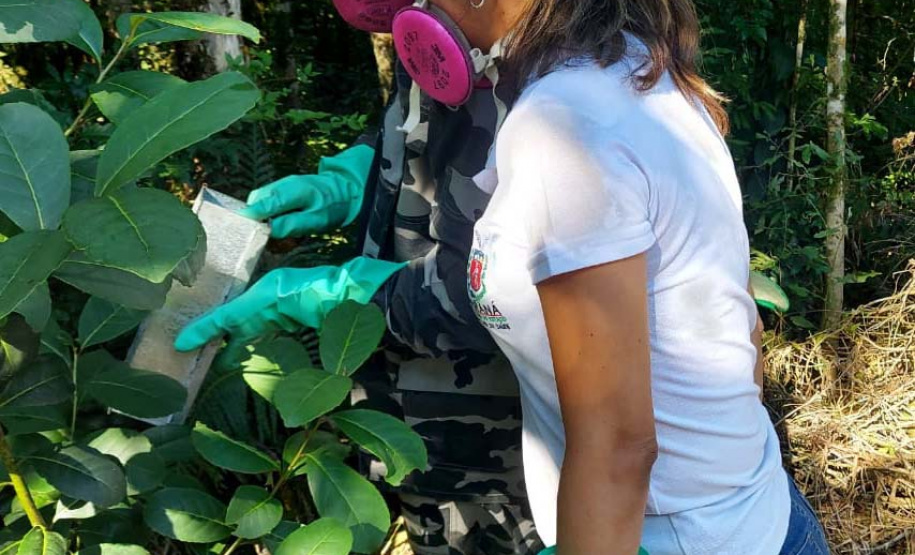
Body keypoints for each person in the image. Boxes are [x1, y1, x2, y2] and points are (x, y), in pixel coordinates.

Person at [386, 0, 830, 554]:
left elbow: (618, 445)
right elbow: (743, 329)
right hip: (756, 520)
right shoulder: (641, 72)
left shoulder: (563, 127)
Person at [173, 2, 543, 554]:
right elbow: (423, 135)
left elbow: (500, 294)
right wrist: (356, 180)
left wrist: (341, 296)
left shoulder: (548, 75)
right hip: (412, 419)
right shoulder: (438, 23)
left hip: (493, 448)